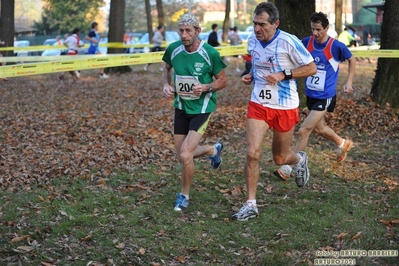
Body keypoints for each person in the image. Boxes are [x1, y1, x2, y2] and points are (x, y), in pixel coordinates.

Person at [231, 2, 317, 221]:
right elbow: (257, 65)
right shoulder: (252, 40)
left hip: (285, 106)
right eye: (254, 24)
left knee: (280, 159)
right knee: (252, 153)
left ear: (275, 23)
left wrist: (283, 75)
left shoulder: (288, 41)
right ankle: (250, 204)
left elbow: (311, 67)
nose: (257, 29)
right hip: (258, 104)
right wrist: (249, 75)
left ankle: (298, 160)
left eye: (262, 25)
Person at [273, 12, 356, 182]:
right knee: (319, 129)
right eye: (313, 29)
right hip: (311, 94)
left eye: (319, 29)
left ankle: (288, 168)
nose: (315, 33)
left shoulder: (336, 46)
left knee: (304, 130)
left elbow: (352, 60)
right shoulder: (306, 42)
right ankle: (342, 143)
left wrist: (349, 82)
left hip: (325, 96)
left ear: (327, 28)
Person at [162, 13, 228, 212]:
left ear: (198, 32)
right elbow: (166, 68)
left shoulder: (210, 53)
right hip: (181, 107)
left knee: (185, 154)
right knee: (182, 154)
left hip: (202, 109)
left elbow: (223, 80)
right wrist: (165, 84)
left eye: (188, 31)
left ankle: (184, 196)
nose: (184, 35)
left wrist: (206, 87)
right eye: (181, 30)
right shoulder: (173, 49)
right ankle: (212, 150)